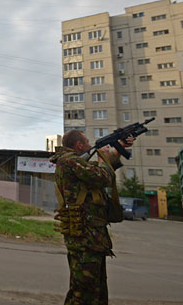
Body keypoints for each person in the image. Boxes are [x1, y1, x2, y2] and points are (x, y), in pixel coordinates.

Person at [50, 130, 134, 305]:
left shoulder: (74, 162)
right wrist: (103, 157)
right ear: (79, 145)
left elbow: (99, 170)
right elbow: (102, 177)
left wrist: (118, 149)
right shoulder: (70, 161)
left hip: (91, 237)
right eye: (87, 142)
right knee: (84, 292)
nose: (90, 145)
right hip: (85, 237)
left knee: (96, 290)